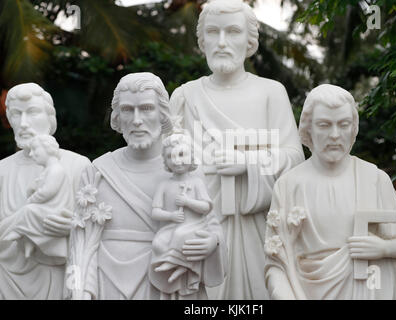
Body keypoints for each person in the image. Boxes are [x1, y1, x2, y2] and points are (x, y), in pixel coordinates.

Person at [170, 0, 304, 299]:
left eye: (232, 32)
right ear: (202, 41)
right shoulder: (185, 97)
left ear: (249, 40)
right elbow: (165, 170)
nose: (221, 42)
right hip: (201, 231)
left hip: (260, 231)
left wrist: (248, 164)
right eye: (213, 32)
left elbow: (296, 161)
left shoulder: (271, 93)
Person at [264, 84, 396, 299]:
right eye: (324, 125)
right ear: (308, 129)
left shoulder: (374, 179)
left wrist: (384, 249)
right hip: (306, 291)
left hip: (370, 289)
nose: (335, 135)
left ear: (353, 127)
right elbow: (275, 263)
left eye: (343, 124)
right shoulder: (289, 185)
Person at [68, 72, 226, 300]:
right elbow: (79, 245)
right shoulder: (97, 171)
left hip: (168, 283)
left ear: (163, 113)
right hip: (107, 286)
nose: (136, 119)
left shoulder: (189, 170)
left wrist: (213, 243)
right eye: (127, 110)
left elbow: (213, 227)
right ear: (117, 117)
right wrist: (78, 290)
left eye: (146, 108)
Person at [0, 83, 90, 299]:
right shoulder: (2, 170)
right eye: (15, 114)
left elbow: (97, 231)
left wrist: (73, 228)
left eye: (32, 112)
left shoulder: (78, 166)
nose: (23, 123)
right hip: (7, 282)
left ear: (50, 117)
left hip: (58, 278)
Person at [150, 133, 225, 299]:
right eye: (170, 156)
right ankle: (179, 267)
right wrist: (170, 216)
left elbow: (206, 207)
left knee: (181, 236)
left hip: (194, 226)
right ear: (166, 161)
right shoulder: (164, 185)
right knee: (159, 242)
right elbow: (155, 211)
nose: (176, 160)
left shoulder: (196, 182)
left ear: (191, 156)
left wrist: (188, 202)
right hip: (172, 225)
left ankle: (174, 264)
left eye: (181, 154)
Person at [3, 134, 72, 260]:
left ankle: (18, 232)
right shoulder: (48, 170)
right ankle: (29, 242)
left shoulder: (56, 170)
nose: (31, 154)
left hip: (53, 210)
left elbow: (47, 192)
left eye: (35, 150)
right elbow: (37, 188)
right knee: (29, 211)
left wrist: (31, 200)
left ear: (47, 149)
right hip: (47, 208)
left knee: (28, 210)